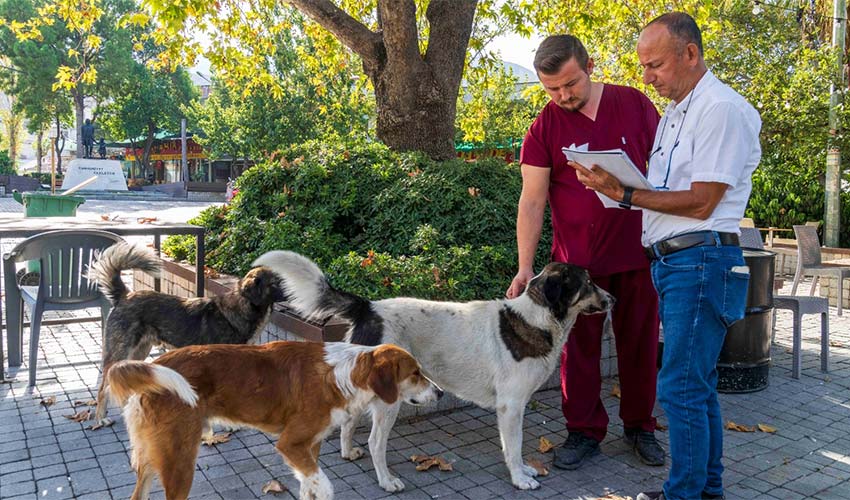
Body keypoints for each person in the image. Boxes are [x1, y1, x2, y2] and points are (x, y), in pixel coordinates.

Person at [567, 13, 761, 500]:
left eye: (654, 65)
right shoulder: (678, 111)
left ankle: (684, 494)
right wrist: (618, 186)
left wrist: (625, 195)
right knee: (696, 386)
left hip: (701, 262)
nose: (647, 77)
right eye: (643, 67)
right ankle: (703, 490)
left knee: (679, 388)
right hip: (678, 263)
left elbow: (702, 200)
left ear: (690, 54)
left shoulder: (719, 109)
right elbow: (672, 191)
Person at [506, 34, 665, 471]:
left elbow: (668, 168)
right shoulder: (544, 127)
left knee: (640, 345)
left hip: (637, 253)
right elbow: (532, 201)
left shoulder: (635, 104)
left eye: (570, 84)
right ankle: (582, 431)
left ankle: (641, 427)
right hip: (576, 269)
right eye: (552, 89)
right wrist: (525, 267)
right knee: (577, 352)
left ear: (589, 65)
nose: (563, 96)